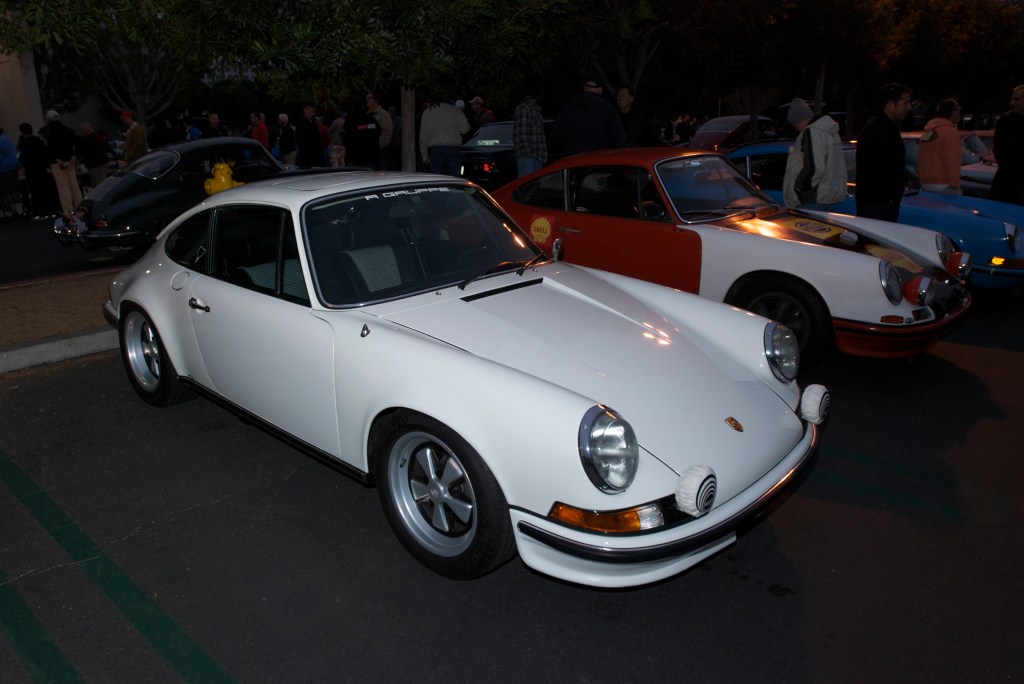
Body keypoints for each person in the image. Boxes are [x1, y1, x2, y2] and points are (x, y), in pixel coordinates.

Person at [855, 83, 913, 221]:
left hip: (880, 203)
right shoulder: (879, 130)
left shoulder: (885, 128)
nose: (909, 107)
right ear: (891, 104)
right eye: (905, 103)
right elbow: (881, 169)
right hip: (878, 205)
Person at [782, 98, 847, 211]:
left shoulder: (812, 132)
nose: (796, 129)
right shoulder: (829, 131)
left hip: (813, 198)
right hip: (828, 195)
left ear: (797, 121)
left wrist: (799, 188)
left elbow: (814, 166)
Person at [550, 75, 626, 156]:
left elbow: (555, 137)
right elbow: (619, 141)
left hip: (573, 161)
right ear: (601, 89)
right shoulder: (608, 111)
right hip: (599, 161)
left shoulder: (568, 108)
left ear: (584, 88)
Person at [41, 110, 83, 218]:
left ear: (48, 118)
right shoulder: (68, 131)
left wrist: (57, 159)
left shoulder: (47, 131)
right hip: (70, 160)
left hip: (57, 162)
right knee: (74, 185)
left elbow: (49, 148)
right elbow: (78, 145)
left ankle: (68, 211)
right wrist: (74, 157)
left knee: (63, 188)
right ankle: (80, 209)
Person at [917, 99, 963, 195]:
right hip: (944, 185)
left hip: (926, 183)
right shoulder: (950, 133)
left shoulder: (929, 131)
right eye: (958, 111)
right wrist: (955, 183)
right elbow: (952, 160)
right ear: (954, 113)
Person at [419, 95, 470, 176]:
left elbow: (423, 137)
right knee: (453, 181)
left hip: (436, 151)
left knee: (438, 182)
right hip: (453, 150)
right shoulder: (455, 110)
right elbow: (465, 129)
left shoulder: (428, 112)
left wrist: (425, 157)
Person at [991, 84, 1024, 205]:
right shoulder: (1006, 120)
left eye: (1017, 99)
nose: (1012, 103)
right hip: (1004, 183)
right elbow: (998, 147)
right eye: (1012, 99)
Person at [514, 80, 547, 177]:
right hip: (528, 158)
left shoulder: (536, 108)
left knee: (534, 188)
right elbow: (523, 135)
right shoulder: (524, 108)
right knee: (527, 188)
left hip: (537, 156)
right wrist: (529, 154)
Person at [366, 91, 393, 170]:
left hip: (380, 150)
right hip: (370, 151)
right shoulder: (367, 115)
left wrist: (378, 145)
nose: (367, 100)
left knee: (381, 173)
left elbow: (387, 133)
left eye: (369, 98)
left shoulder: (383, 114)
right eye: (366, 99)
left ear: (375, 100)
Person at [78, 122, 109, 189]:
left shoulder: (90, 138)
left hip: (96, 164)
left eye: (82, 130)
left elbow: (87, 150)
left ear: (86, 129)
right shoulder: (98, 136)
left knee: (98, 184)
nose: (82, 132)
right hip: (100, 162)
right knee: (100, 183)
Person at [0, 127, 23, 215]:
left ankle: (16, 209)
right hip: (12, 165)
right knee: (14, 188)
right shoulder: (5, 138)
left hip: (5, 167)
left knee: (9, 189)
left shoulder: (1, 140)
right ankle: (19, 208)